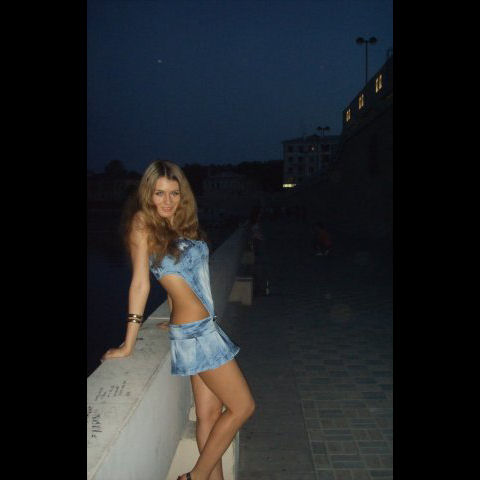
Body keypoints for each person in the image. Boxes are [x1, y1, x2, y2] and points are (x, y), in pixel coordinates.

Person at [101, 160, 255, 480]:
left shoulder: (182, 225)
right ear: (148, 194)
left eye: (174, 193)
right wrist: (128, 344)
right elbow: (141, 284)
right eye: (160, 193)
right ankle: (194, 477)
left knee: (209, 415)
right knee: (243, 407)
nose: (168, 200)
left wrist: (173, 316)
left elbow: (184, 278)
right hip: (197, 334)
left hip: (200, 327)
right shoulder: (143, 223)